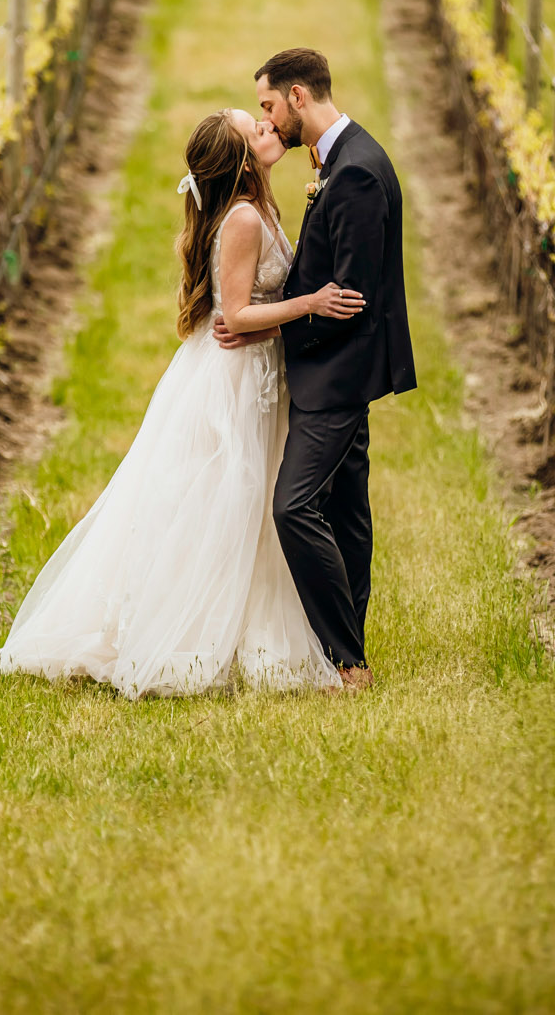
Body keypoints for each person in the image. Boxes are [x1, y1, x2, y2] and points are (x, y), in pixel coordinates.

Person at [0, 108, 361, 698]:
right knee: (223, 499)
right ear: (240, 160)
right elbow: (235, 315)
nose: (269, 130)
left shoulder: (257, 206)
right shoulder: (240, 219)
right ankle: (193, 630)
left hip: (253, 364)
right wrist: (308, 305)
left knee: (253, 501)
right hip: (232, 379)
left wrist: (272, 325)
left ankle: (252, 628)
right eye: (254, 129)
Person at [214, 48, 415, 691]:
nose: (268, 122)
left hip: (334, 374)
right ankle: (347, 644)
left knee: (295, 506)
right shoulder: (342, 157)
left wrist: (266, 326)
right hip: (335, 372)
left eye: (269, 106)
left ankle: (345, 657)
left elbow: (346, 300)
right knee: (348, 509)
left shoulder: (353, 172)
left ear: (298, 96)